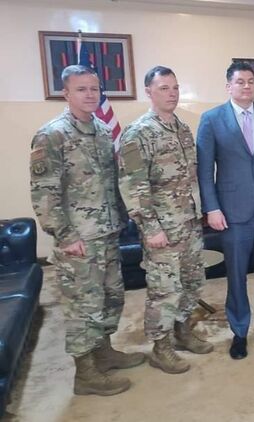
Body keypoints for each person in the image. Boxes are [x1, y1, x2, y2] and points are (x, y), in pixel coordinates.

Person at [29, 65, 144, 396]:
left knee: (110, 298)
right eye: (82, 89)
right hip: (78, 240)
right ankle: (85, 373)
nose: (90, 94)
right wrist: (66, 236)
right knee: (82, 306)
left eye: (94, 88)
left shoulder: (102, 130)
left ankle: (103, 353)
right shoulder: (52, 135)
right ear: (66, 93)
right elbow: (44, 193)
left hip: (107, 233)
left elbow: (112, 181)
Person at [118, 66, 212, 375]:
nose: (171, 93)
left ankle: (183, 331)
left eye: (175, 87)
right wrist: (150, 229)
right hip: (162, 229)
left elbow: (190, 177)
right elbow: (134, 186)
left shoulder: (181, 128)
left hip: (188, 223)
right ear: (149, 92)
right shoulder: (138, 132)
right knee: (164, 290)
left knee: (192, 282)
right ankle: (161, 348)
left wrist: (199, 213)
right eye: (163, 88)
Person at [196, 61, 254, 360]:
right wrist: (211, 208)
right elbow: (204, 171)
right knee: (236, 275)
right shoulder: (212, 119)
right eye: (240, 81)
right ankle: (239, 332)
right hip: (232, 212)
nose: (247, 86)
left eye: (251, 81)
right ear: (229, 86)